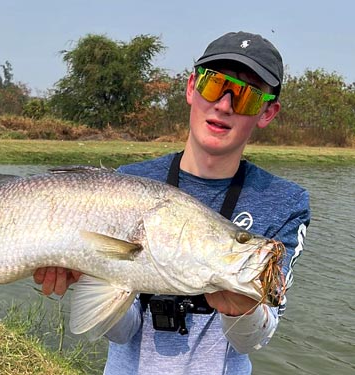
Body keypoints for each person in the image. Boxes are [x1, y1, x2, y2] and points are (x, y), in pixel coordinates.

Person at [33, 31, 311, 374]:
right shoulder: (124, 184)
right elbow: (123, 332)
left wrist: (243, 310)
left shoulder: (286, 202)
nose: (224, 105)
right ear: (192, 87)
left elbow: (253, 340)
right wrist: (88, 274)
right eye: (214, 85)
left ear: (268, 112)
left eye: (247, 97)